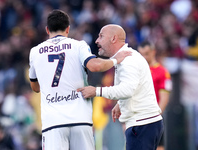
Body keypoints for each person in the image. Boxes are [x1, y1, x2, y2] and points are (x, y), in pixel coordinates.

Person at [29, 10, 131, 150]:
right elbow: (95, 66)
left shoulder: (35, 52)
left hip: (53, 122)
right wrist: (115, 60)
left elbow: (35, 87)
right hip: (80, 119)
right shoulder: (78, 46)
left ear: (47, 29)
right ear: (68, 29)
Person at [77, 24, 164, 150]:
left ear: (113, 39)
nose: (97, 41)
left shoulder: (128, 60)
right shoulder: (126, 58)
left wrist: (96, 91)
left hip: (142, 124)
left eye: (101, 36)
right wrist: (120, 103)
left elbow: (127, 90)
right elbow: (134, 86)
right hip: (144, 123)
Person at [138, 41, 172, 150]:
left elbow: (164, 98)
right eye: (141, 54)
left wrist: (155, 117)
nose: (143, 57)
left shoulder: (162, 72)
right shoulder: (138, 71)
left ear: (153, 52)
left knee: (158, 146)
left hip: (153, 117)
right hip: (138, 116)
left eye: (146, 53)